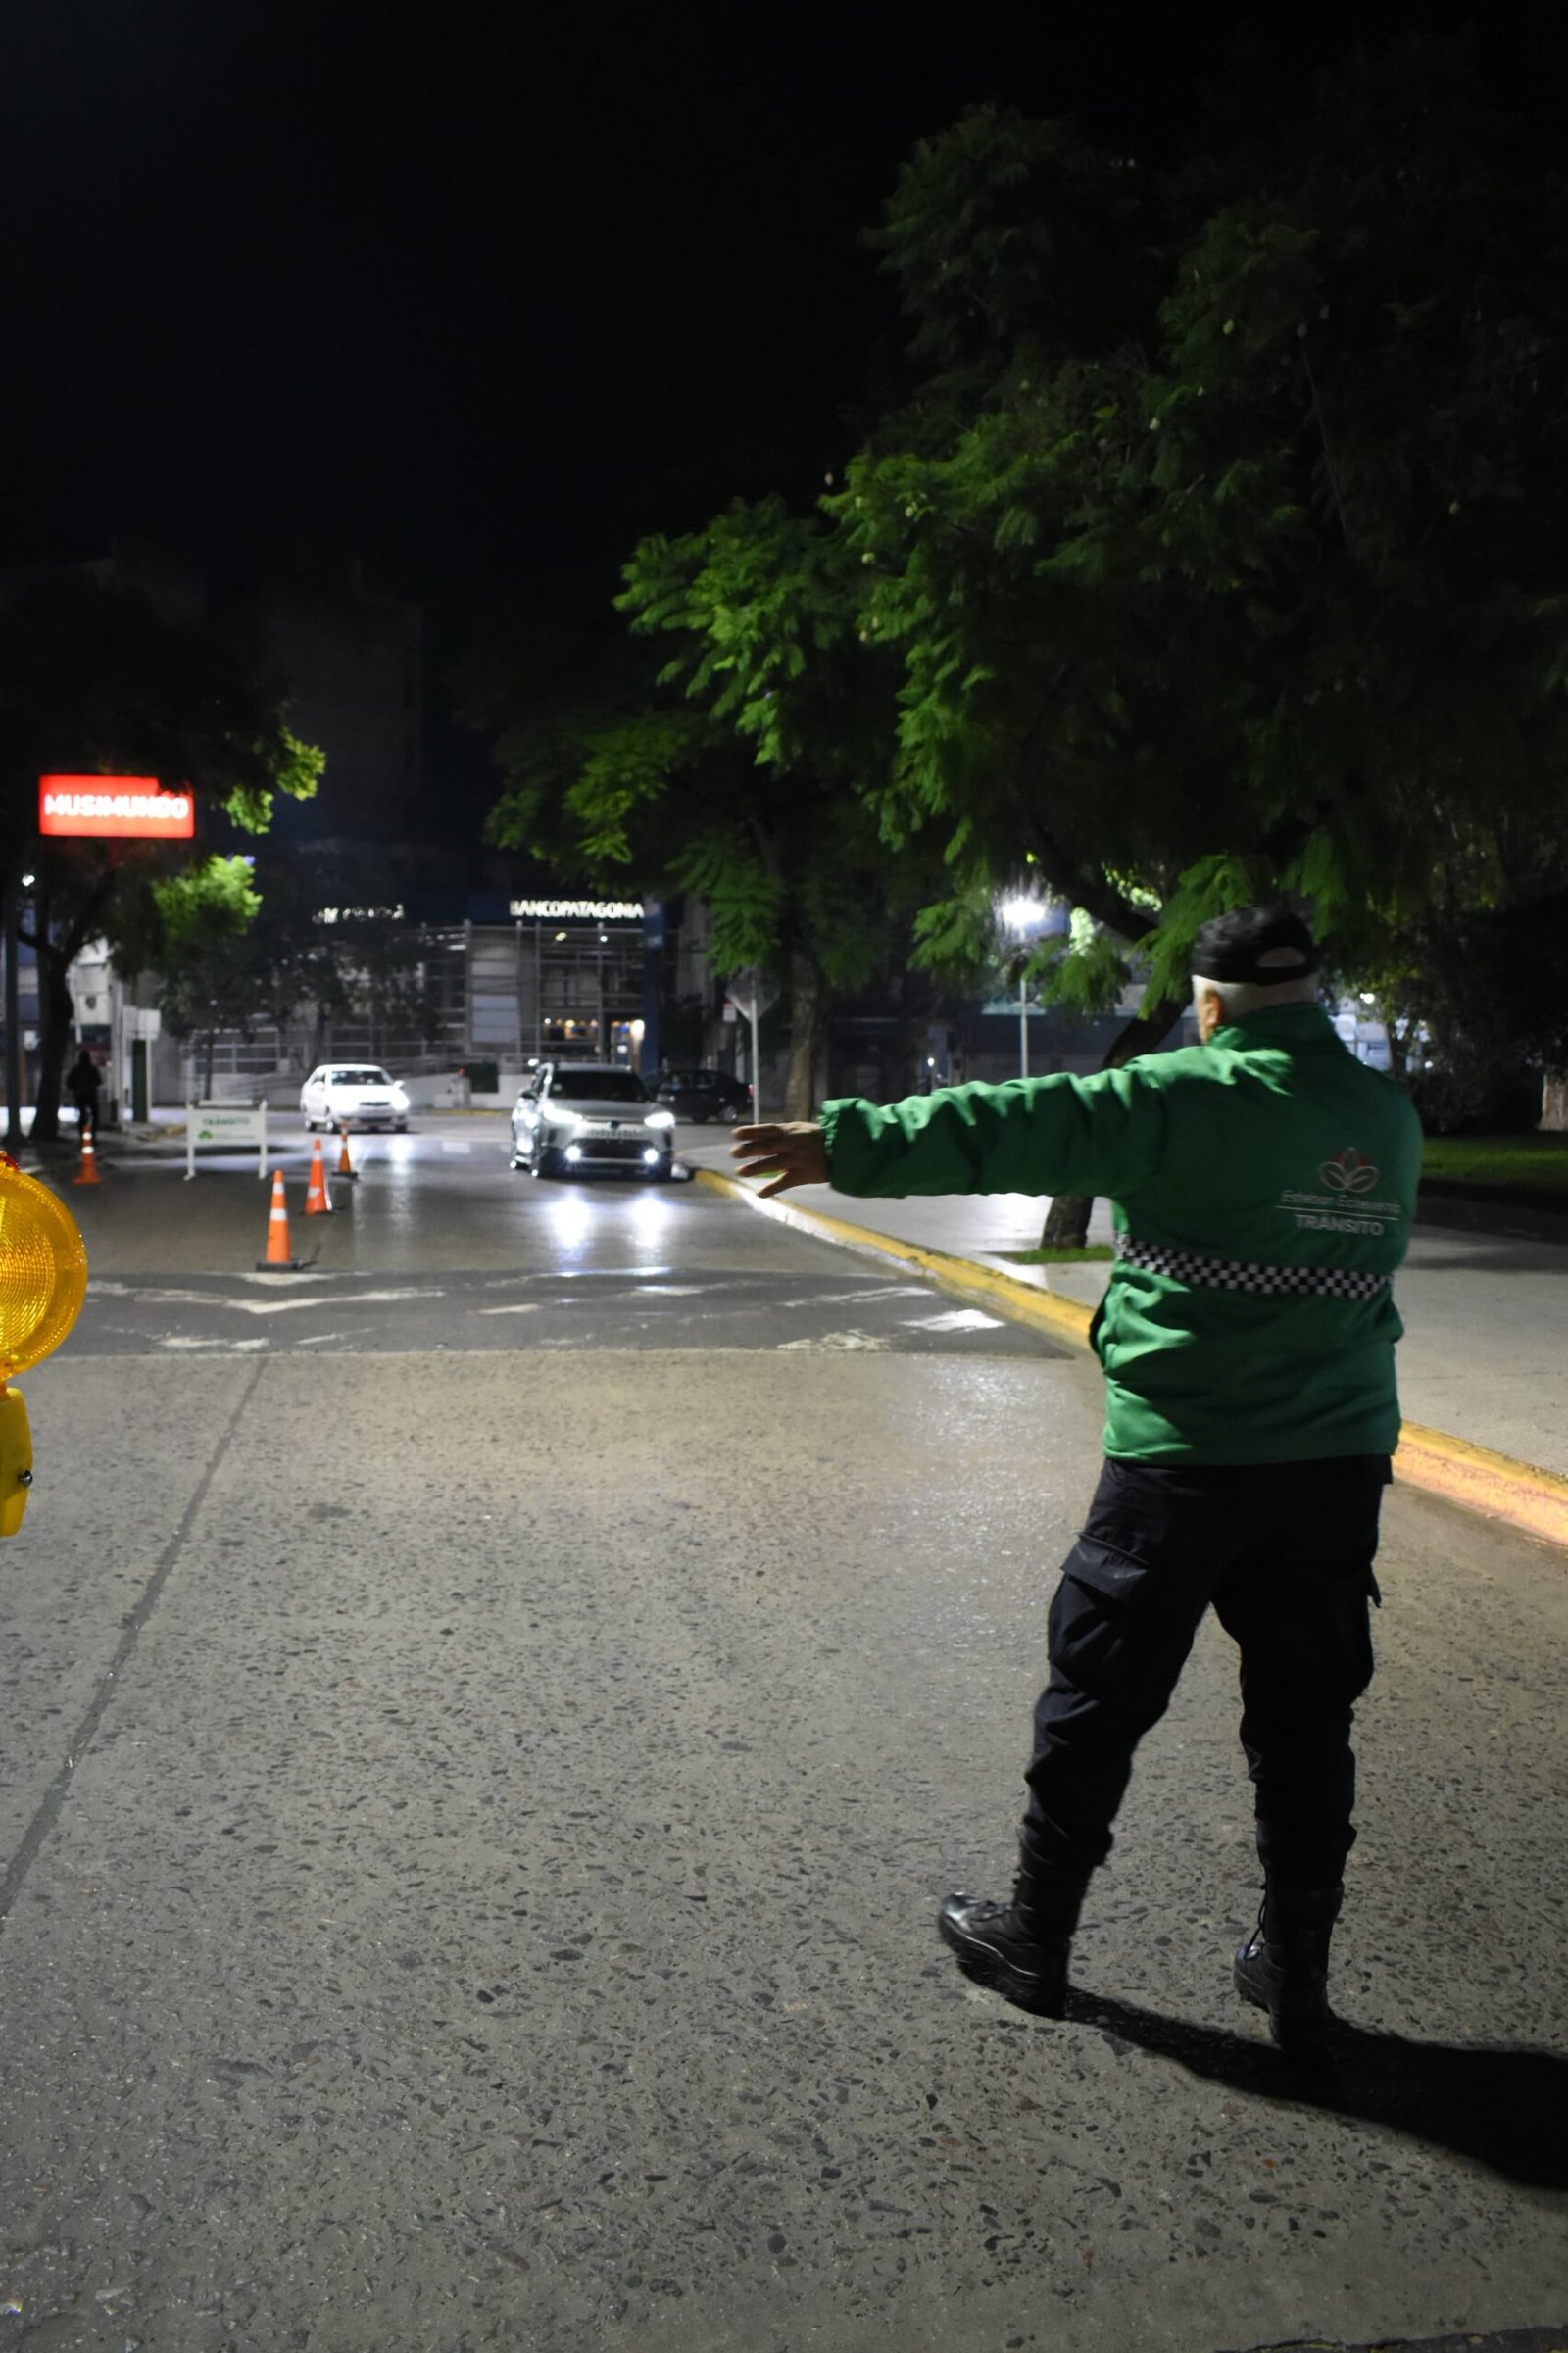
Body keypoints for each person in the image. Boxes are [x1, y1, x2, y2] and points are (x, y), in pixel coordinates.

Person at [732, 905, 1422, 2061]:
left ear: (1210, 1006)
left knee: (1097, 1696)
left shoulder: (1179, 1095)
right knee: (1307, 1720)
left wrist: (845, 1143)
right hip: (1335, 1465)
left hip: (1183, 1455)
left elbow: (1018, 1122)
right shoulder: (1385, 1115)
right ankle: (1295, 1972)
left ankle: (1036, 1937)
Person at [67, 1047, 102, 1140]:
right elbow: (99, 1081)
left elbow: (69, 1083)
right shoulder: (92, 1069)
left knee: (82, 1115)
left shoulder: (76, 1070)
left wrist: (76, 1087)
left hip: (80, 1096)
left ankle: (83, 1136)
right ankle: (93, 1135)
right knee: (95, 1115)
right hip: (91, 1095)